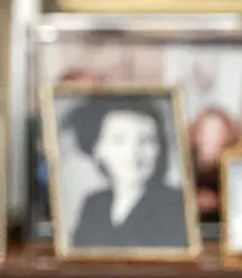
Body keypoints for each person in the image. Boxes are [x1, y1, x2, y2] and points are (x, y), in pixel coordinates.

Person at [64, 96, 190, 250]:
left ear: (160, 149)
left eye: (146, 141)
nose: (132, 153)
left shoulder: (177, 204)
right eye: (119, 140)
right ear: (97, 149)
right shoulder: (94, 204)